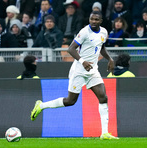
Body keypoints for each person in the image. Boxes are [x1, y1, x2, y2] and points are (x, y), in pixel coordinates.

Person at [30, 11, 119, 140]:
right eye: (91, 19)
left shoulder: (104, 32)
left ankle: (104, 133)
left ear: (101, 21)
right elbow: (70, 49)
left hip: (92, 70)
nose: (93, 21)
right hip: (79, 70)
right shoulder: (84, 32)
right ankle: (41, 105)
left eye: (96, 19)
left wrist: (110, 59)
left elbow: (101, 46)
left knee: (103, 97)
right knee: (70, 101)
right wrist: (83, 62)